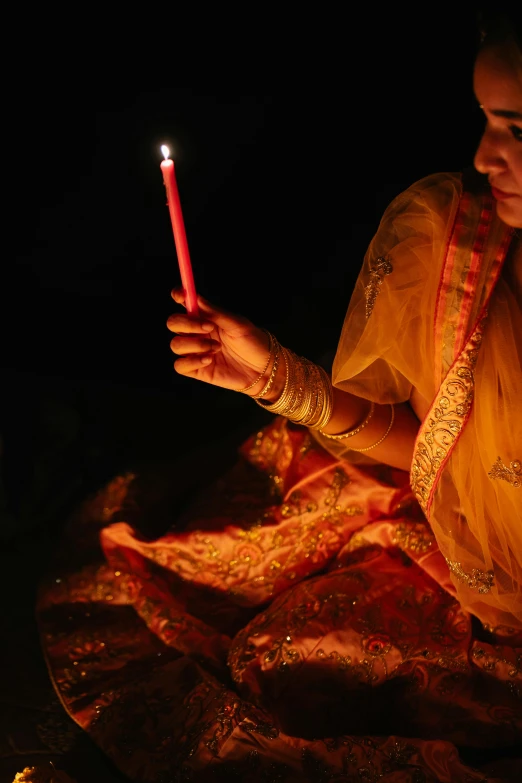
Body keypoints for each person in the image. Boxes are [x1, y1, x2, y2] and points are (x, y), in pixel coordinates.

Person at [35, 9, 521, 783]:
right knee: (272, 647)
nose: (485, 156)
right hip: (474, 575)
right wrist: (279, 381)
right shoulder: (458, 243)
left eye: (518, 129)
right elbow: (434, 444)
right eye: (487, 121)